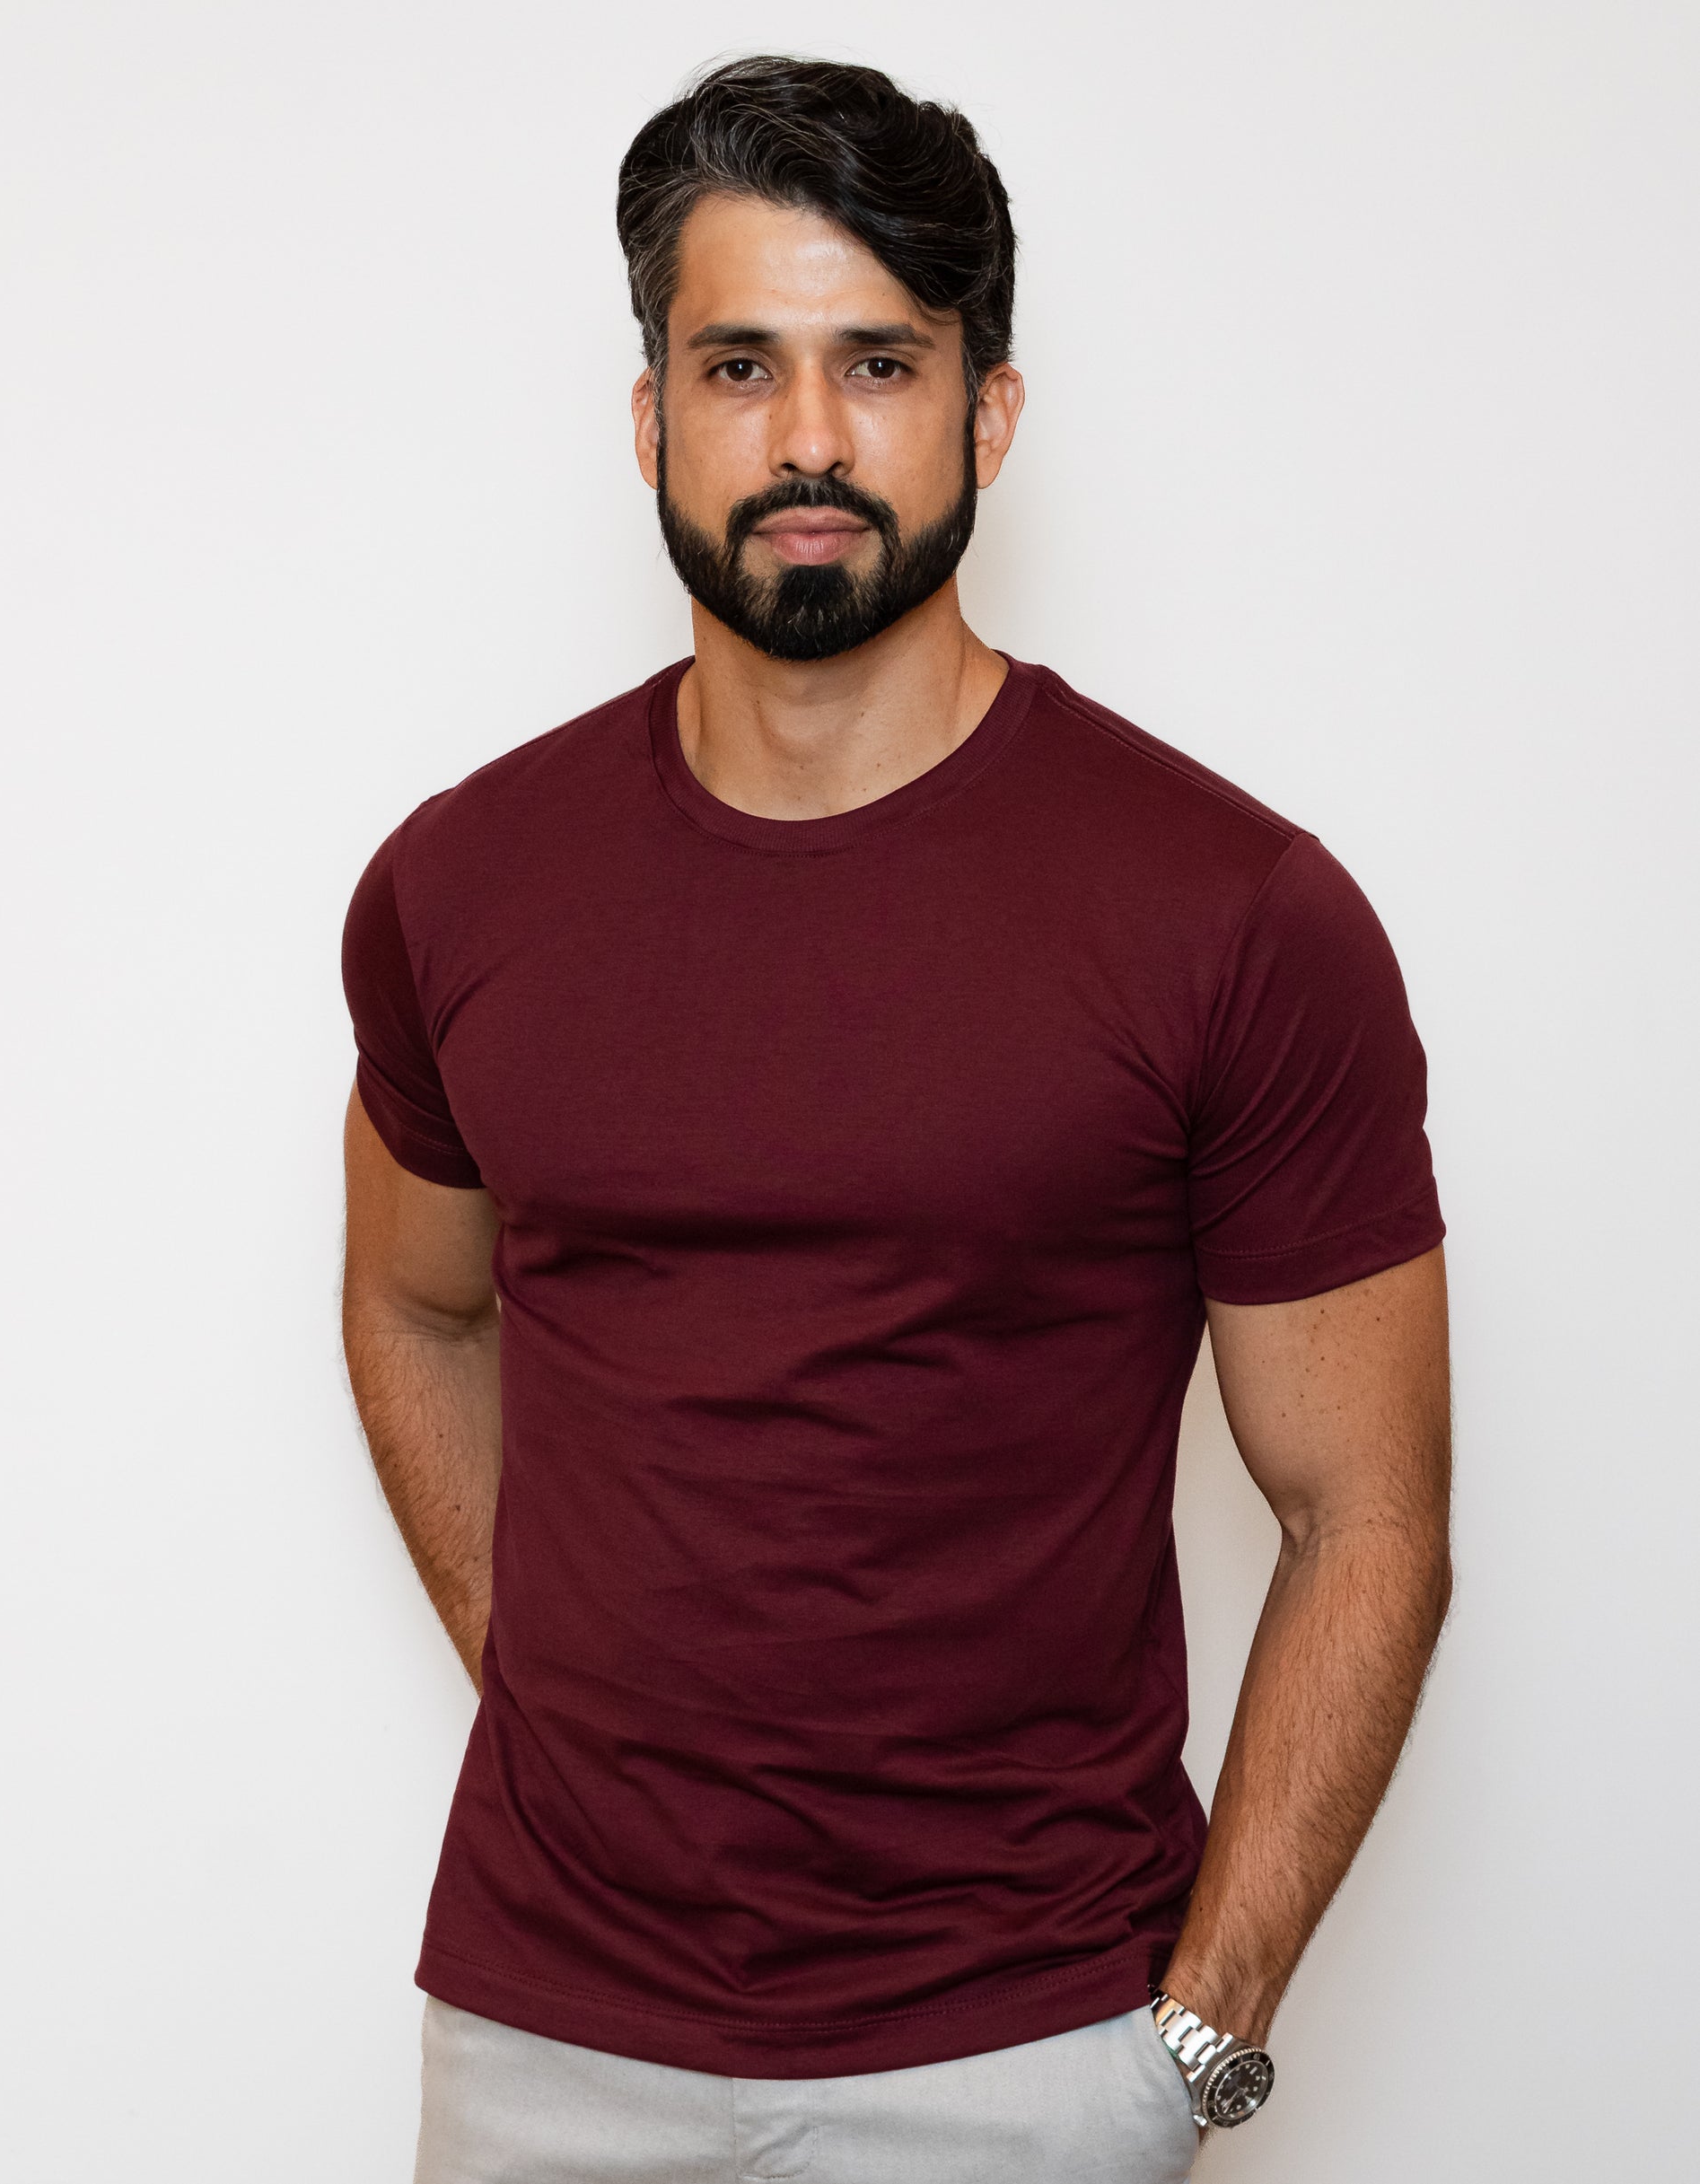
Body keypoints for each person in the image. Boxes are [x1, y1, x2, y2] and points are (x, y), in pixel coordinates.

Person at [340, 54, 1451, 2184]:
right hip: (540, 2038)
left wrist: (1194, 2042)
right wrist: (552, 1681)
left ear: (987, 414)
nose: (809, 439)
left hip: (1025, 2048)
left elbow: (1366, 1514)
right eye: (738, 366)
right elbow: (413, 1302)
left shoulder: (1233, 912)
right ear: (649, 417)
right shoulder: (460, 886)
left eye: (879, 363)